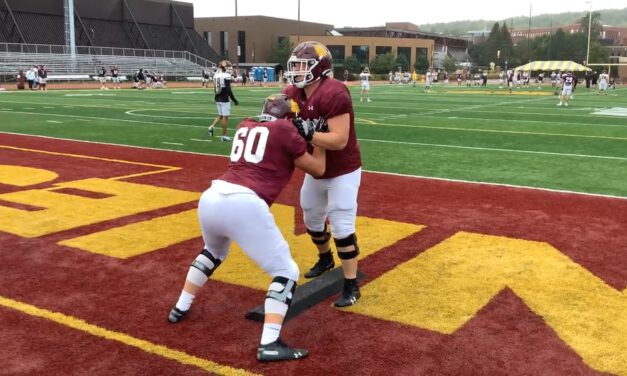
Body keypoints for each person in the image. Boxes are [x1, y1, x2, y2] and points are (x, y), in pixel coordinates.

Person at [168, 93, 326, 362]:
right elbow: (318, 169)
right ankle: (270, 343)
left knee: (213, 252)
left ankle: (180, 306)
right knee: (286, 271)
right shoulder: (286, 129)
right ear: (289, 117)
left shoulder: (244, 124)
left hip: (212, 196)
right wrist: (318, 138)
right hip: (244, 202)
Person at [283, 41, 362, 307]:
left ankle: (351, 283)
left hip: (343, 169)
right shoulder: (292, 93)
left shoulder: (335, 92)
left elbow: (340, 140)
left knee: (341, 225)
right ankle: (326, 257)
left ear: (321, 68)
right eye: (295, 65)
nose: (298, 71)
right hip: (316, 168)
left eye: (304, 65)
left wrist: (307, 133)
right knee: (312, 217)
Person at [208, 60, 239, 141]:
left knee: (220, 115)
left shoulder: (216, 75)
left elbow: (215, 87)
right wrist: (234, 100)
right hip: (224, 98)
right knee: (225, 117)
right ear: (225, 68)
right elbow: (228, 89)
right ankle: (224, 136)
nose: (230, 68)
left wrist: (216, 96)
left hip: (217, 97)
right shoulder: (226, 75)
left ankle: (211, 127)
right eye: (228, 67)